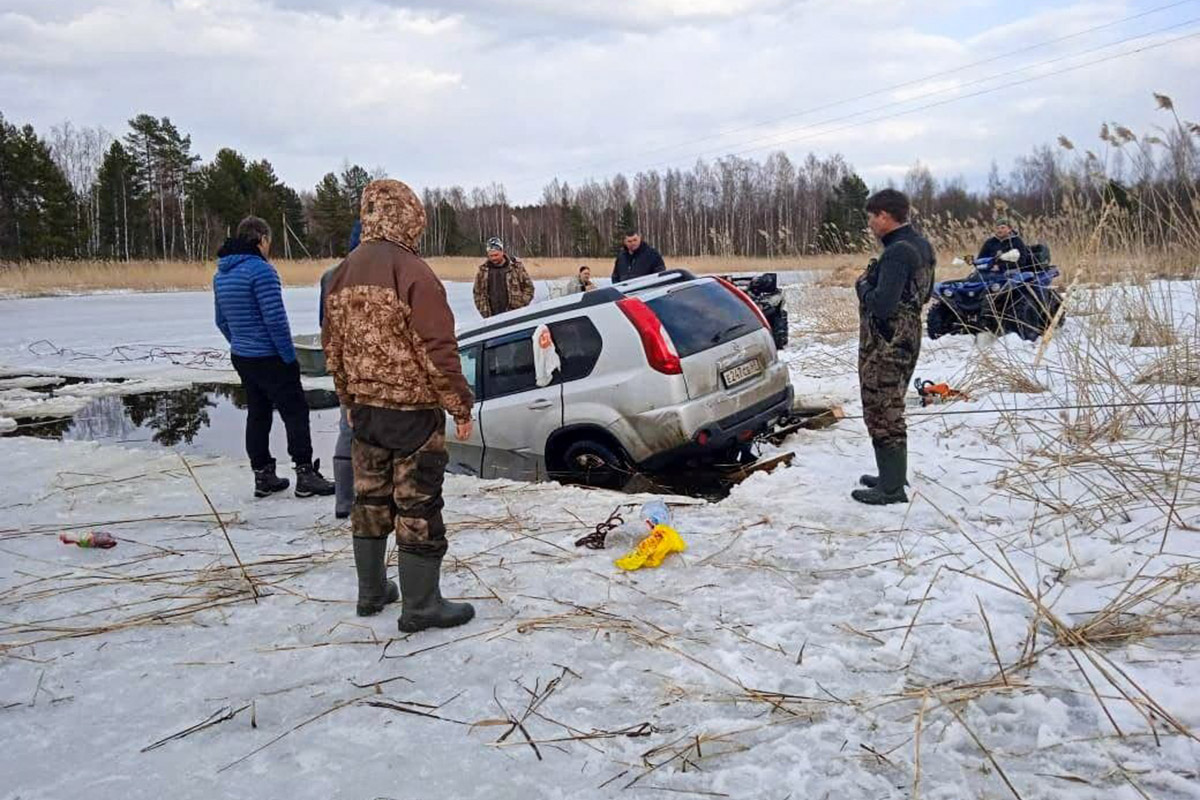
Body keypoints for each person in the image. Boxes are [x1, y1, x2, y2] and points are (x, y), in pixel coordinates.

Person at [322, 179, 476, 630]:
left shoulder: (341, 273)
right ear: (410, 216)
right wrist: (460, 407)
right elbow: (437, 350)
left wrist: (348, 399)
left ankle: (371, 593)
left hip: (365, 412)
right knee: (418, 504)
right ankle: (422, 606)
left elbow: (334, 349)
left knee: (368, 501)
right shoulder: (413, 271)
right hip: (411, 414)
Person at [214, 216, 335, 500]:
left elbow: (221, 321)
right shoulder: (262, 272)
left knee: (258, 413)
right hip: (269, 356)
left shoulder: (222, 274)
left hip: (243, 356)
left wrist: (240, 343)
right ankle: (305, 474)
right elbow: (275, 321)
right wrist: (288, 356)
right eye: (269, 241)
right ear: (261, 239)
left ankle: (263, 475)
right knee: (295, 412)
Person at [853, 189, 936, 506]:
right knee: (889, 404)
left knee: (882, 408)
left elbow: (882, 305)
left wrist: (862, 286)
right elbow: (925, 295)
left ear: (885, 216)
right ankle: (891, 476)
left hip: (887, 342)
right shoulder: (921, 245)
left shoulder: (897, 251)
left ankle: (890, 490)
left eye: (872, 217)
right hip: (906, 336)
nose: (871, 224)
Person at [319, 219, 362, 519]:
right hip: (372, 366)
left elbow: (324, 326)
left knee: (348, 426)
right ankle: (361, 500)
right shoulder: (384, 274)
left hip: (345, 364)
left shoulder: (330, 276)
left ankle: (344, 501)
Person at [472, 237, 534, 318]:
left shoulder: (516, 267)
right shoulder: (483, 271)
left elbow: (529, 288)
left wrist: (520, 304)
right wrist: (483, 310)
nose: (493, 258)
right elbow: (477, 292)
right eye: (491, 256)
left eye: (496, 255)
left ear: (502, 252)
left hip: (515, 315)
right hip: (491, 317)